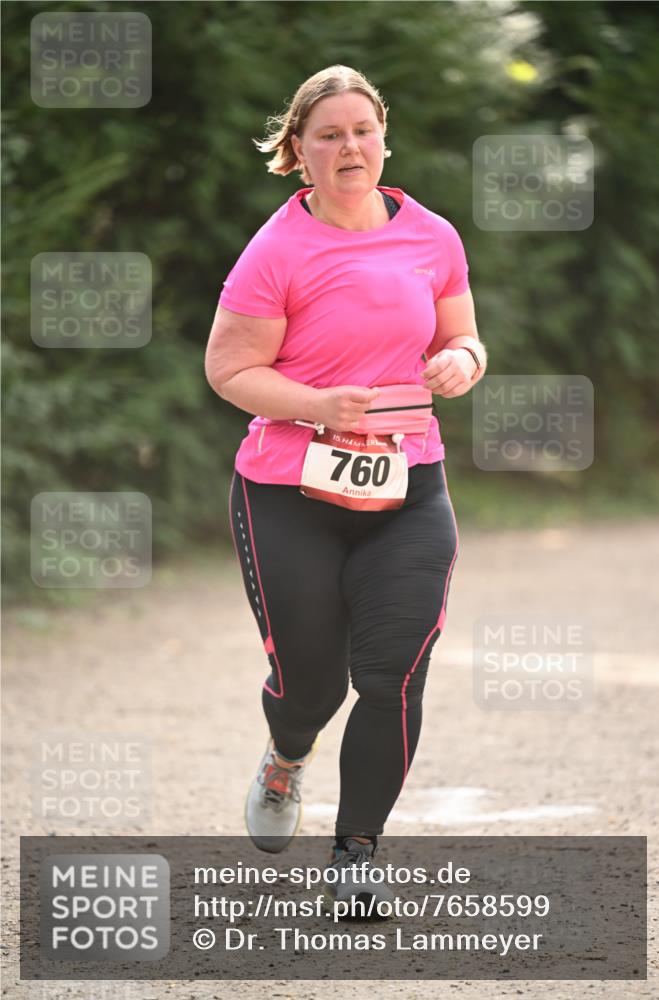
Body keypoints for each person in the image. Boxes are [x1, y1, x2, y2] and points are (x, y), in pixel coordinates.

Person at [205, 65, 486, 909]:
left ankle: (355, 855)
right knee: (311, 687)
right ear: (297, 152)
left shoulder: (430, 235)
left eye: (361, 129)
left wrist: (460, 362)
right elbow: (228, 369)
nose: (348, 146)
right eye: (327, 134)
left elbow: (466, 337)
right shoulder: (276, 251)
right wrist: (316, 404)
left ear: (383, 138)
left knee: (393, 673)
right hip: (289, 493)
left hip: (408, 485)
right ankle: (287, 756)